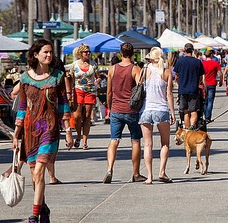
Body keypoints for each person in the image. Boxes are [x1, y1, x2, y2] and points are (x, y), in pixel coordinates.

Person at [13, 39, 72, 223]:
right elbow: (22, 107)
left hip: (50, 128)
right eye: (45, 52)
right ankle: (44, 208)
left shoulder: (58, 77)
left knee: (39, 172)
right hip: (30, 132)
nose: (49, 55)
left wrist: (68, 130)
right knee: (34, 176)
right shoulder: (24, 79)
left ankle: (33, 216)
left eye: (50, 52)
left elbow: (63, 104)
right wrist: (16, 135)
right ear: (35, 55)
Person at [103, 42, 146, 184]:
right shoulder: (134, 69)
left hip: (115, 109)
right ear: (133, 53)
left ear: (121, 53)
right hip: (131, 110)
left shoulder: (112, 69)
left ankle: (109, 169)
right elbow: (141, 87)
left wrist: (109, 108)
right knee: (135, 141)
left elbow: (108, 92)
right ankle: (136, 173)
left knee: (114, 140)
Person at [139, 47, 176, 184]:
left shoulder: (145, 71)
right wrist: (172, 112)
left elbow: (139, 88)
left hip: (146, 110)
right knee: (165, 143)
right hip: (161, 109)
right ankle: (162, 172)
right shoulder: (166, 72)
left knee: (147, 144)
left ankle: (149, 176)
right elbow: (169, 94)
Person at [70, 44, 98, 149]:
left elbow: (97, 76)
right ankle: (78, 135)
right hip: (78, 90)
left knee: (87, 116)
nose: (88, 54)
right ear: (80, 53)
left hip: (90, 90)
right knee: (76, 116)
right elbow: (71, 79)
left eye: (89, 52)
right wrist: (69, 93)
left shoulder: (93, 64)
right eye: (86, 52)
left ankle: (85, 141)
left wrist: (97, 81)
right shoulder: (74, 65)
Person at [173, 43, 205, 130]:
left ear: (184, 50)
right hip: (193, 89)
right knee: (194, 111)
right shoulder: (197, 62)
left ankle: (187, 129)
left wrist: (180, 83)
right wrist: (197, 83)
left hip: (183, 90)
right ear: (192, 50)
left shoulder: (179, 61)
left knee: (185, 111)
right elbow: (201, 77)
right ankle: (192, 126)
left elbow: (176, 76)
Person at [202, 50, 222, 123]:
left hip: (204, 83)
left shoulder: (202, 63)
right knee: (210, 100)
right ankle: (208, 117)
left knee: (205, 100)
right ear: (211, 55)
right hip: (212, 83)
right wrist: (221, 81)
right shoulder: (215, 63)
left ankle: (205, 115)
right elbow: (220, 73)